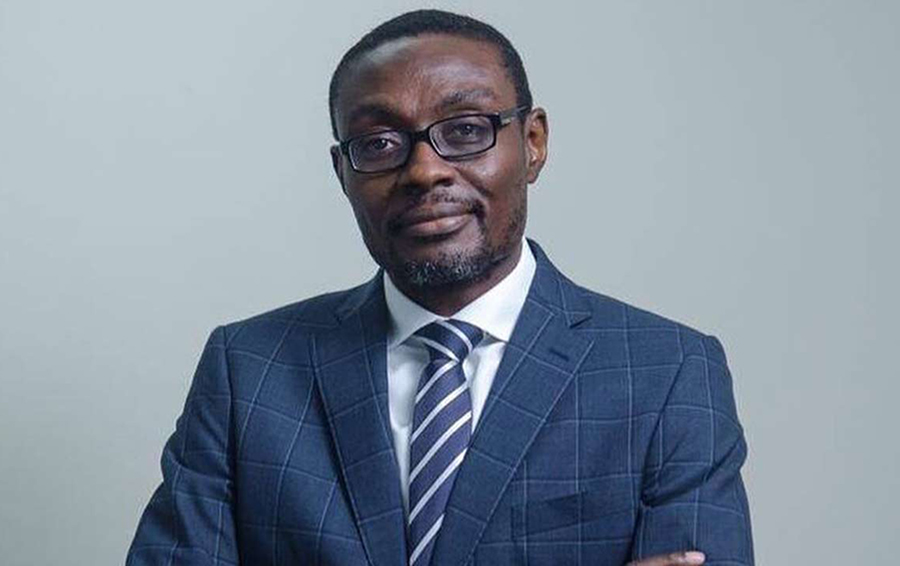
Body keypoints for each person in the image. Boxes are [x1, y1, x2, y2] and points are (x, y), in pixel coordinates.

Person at [127, 9, 753, 566]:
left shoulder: (667, 373)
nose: (425, 170)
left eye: (466, 130)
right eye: (379, 144)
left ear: (533, 143)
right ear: (343, 172)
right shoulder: (248, 371)